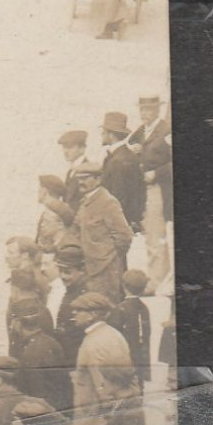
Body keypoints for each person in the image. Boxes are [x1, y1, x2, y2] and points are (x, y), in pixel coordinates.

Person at [67, 291, 138, 425]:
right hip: (113, 418)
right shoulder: (113, 334)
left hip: (95, 421)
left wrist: (101, 416)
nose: (74, 314)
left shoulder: (94, 342)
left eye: (78, 311)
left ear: (93, 314)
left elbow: (104, 387)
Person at [129, 94, 173, 290]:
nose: (144, 113)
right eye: (142, 109)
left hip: (158, 189)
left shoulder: (166, 130)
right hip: (142, 190)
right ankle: (155, 279)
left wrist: (156, 173)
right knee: (149, 236)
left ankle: (158, 282)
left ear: (157, 110)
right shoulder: (142, 131)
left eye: (149, 109)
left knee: (156, 236)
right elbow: (128, 143)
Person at [74, 160, 134, 300]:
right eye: (79, 179)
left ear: (98, 179)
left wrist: (111, 258)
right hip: (89, 269)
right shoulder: (85, 202)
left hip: (106, 271)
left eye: (85, 178)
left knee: (107, 309)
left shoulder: (108, 202)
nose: (81, 182)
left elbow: (124, 236)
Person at [12, 299, 71, 413]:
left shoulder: (31, 352)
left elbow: (37, 392)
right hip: (61, 406)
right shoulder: (51, 342)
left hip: (45, 411)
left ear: (18, 323)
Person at [99, 111, 147, 236]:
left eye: (103, 131)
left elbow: (118, 198)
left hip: (114, 225)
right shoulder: (127, 156)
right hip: (124, 223)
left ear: (111, 134)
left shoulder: (117, 160)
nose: (101, 134)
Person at [109, 269, 152, 388]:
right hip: (141, 356)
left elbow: (113, 334)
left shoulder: (120, 309)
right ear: (143, 289)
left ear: (123, 286)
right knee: (139, 386)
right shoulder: (144, 308)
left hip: (126, 355)